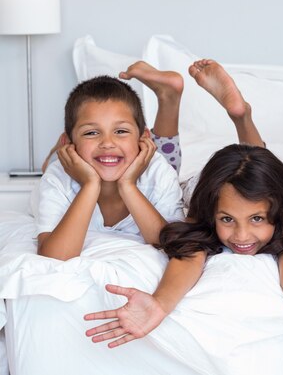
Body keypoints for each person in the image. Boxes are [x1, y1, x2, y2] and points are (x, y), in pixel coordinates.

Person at [82, 62, 283, 363]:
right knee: (256, 170)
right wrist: (159, 304)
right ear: (213, 212)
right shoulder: (212, 205)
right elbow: (189, 254)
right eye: (227, 220)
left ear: (275, 214)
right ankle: (248, 116)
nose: (241, 237)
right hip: (280, 181)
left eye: (257, 220)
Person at [36, 76, 184, 260]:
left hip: (135, 162)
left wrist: (127, 185)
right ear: (70, 142)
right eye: (91, 133)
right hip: (67, 164)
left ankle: (168, 99)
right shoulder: (56, 177)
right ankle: (56, 151)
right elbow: (55, 255)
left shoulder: (159, 173)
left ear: (143, 138)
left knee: (168, 162)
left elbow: (170, 246)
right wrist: (90, 185)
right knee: (50, 165)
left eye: (121, 131)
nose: (107, 143)